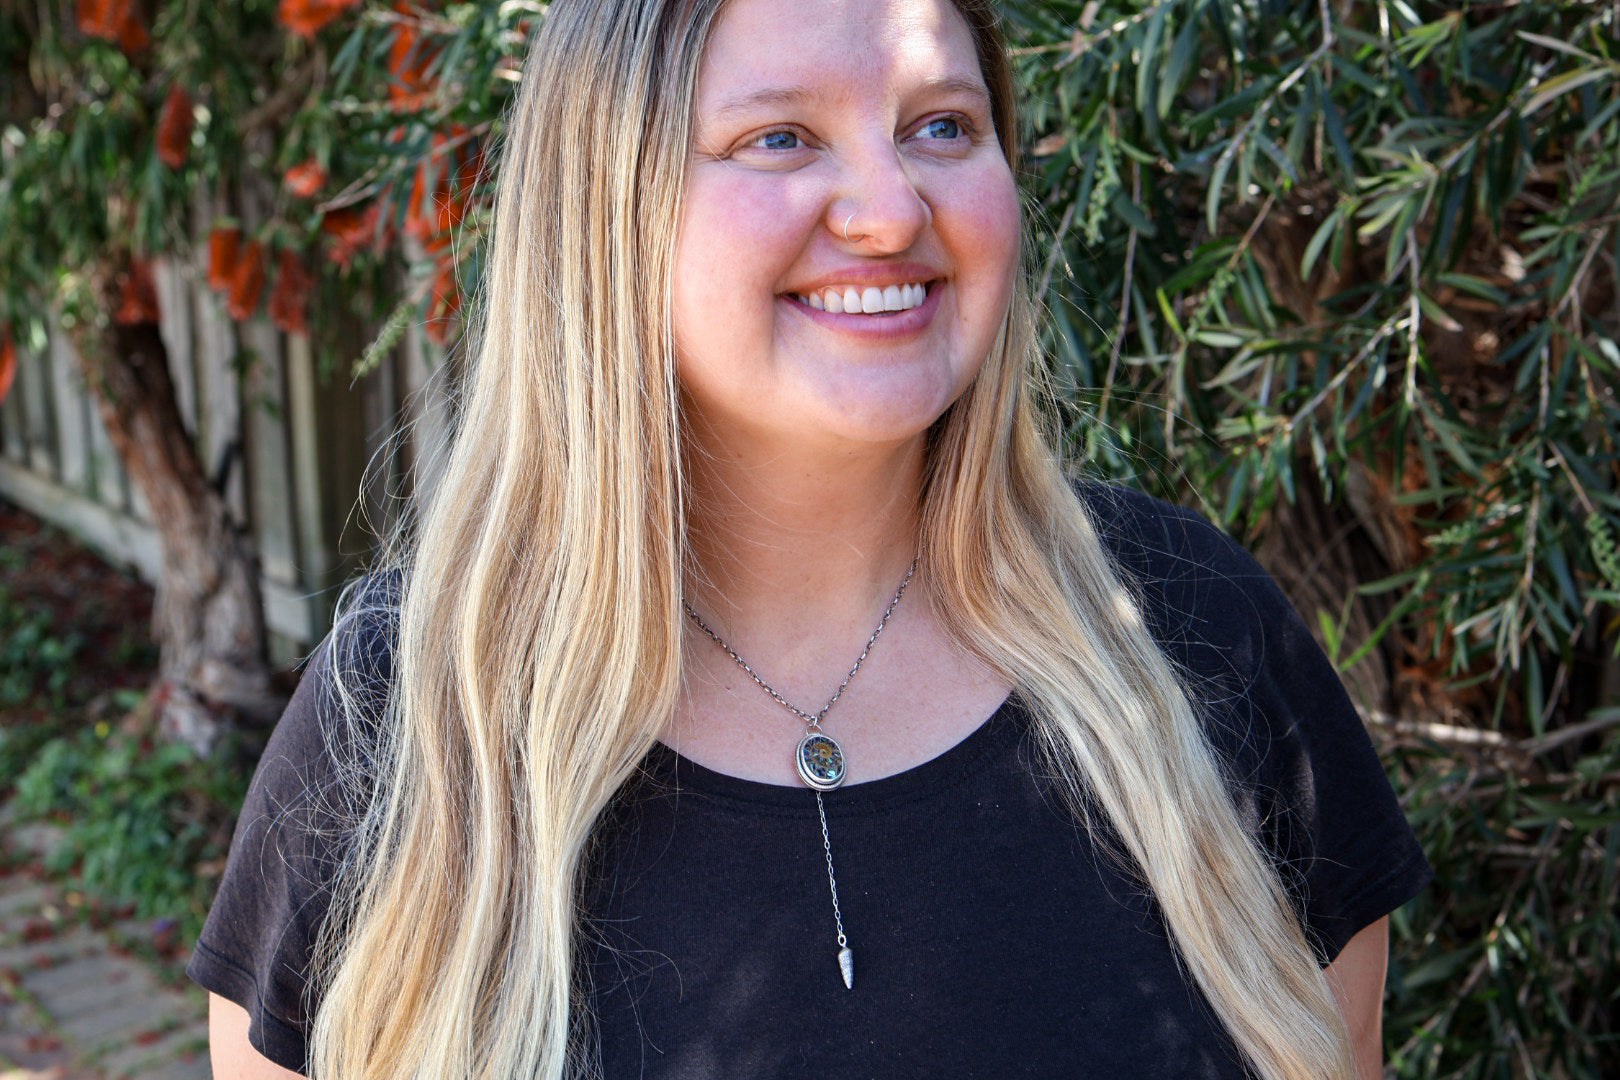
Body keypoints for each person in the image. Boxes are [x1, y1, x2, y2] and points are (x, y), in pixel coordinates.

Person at [191, 0, 1432, 1077]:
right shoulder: (408, 725)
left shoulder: (1199, 642)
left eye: (942, 125)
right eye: (780, 137)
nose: (892, 212)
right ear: (605, 207)